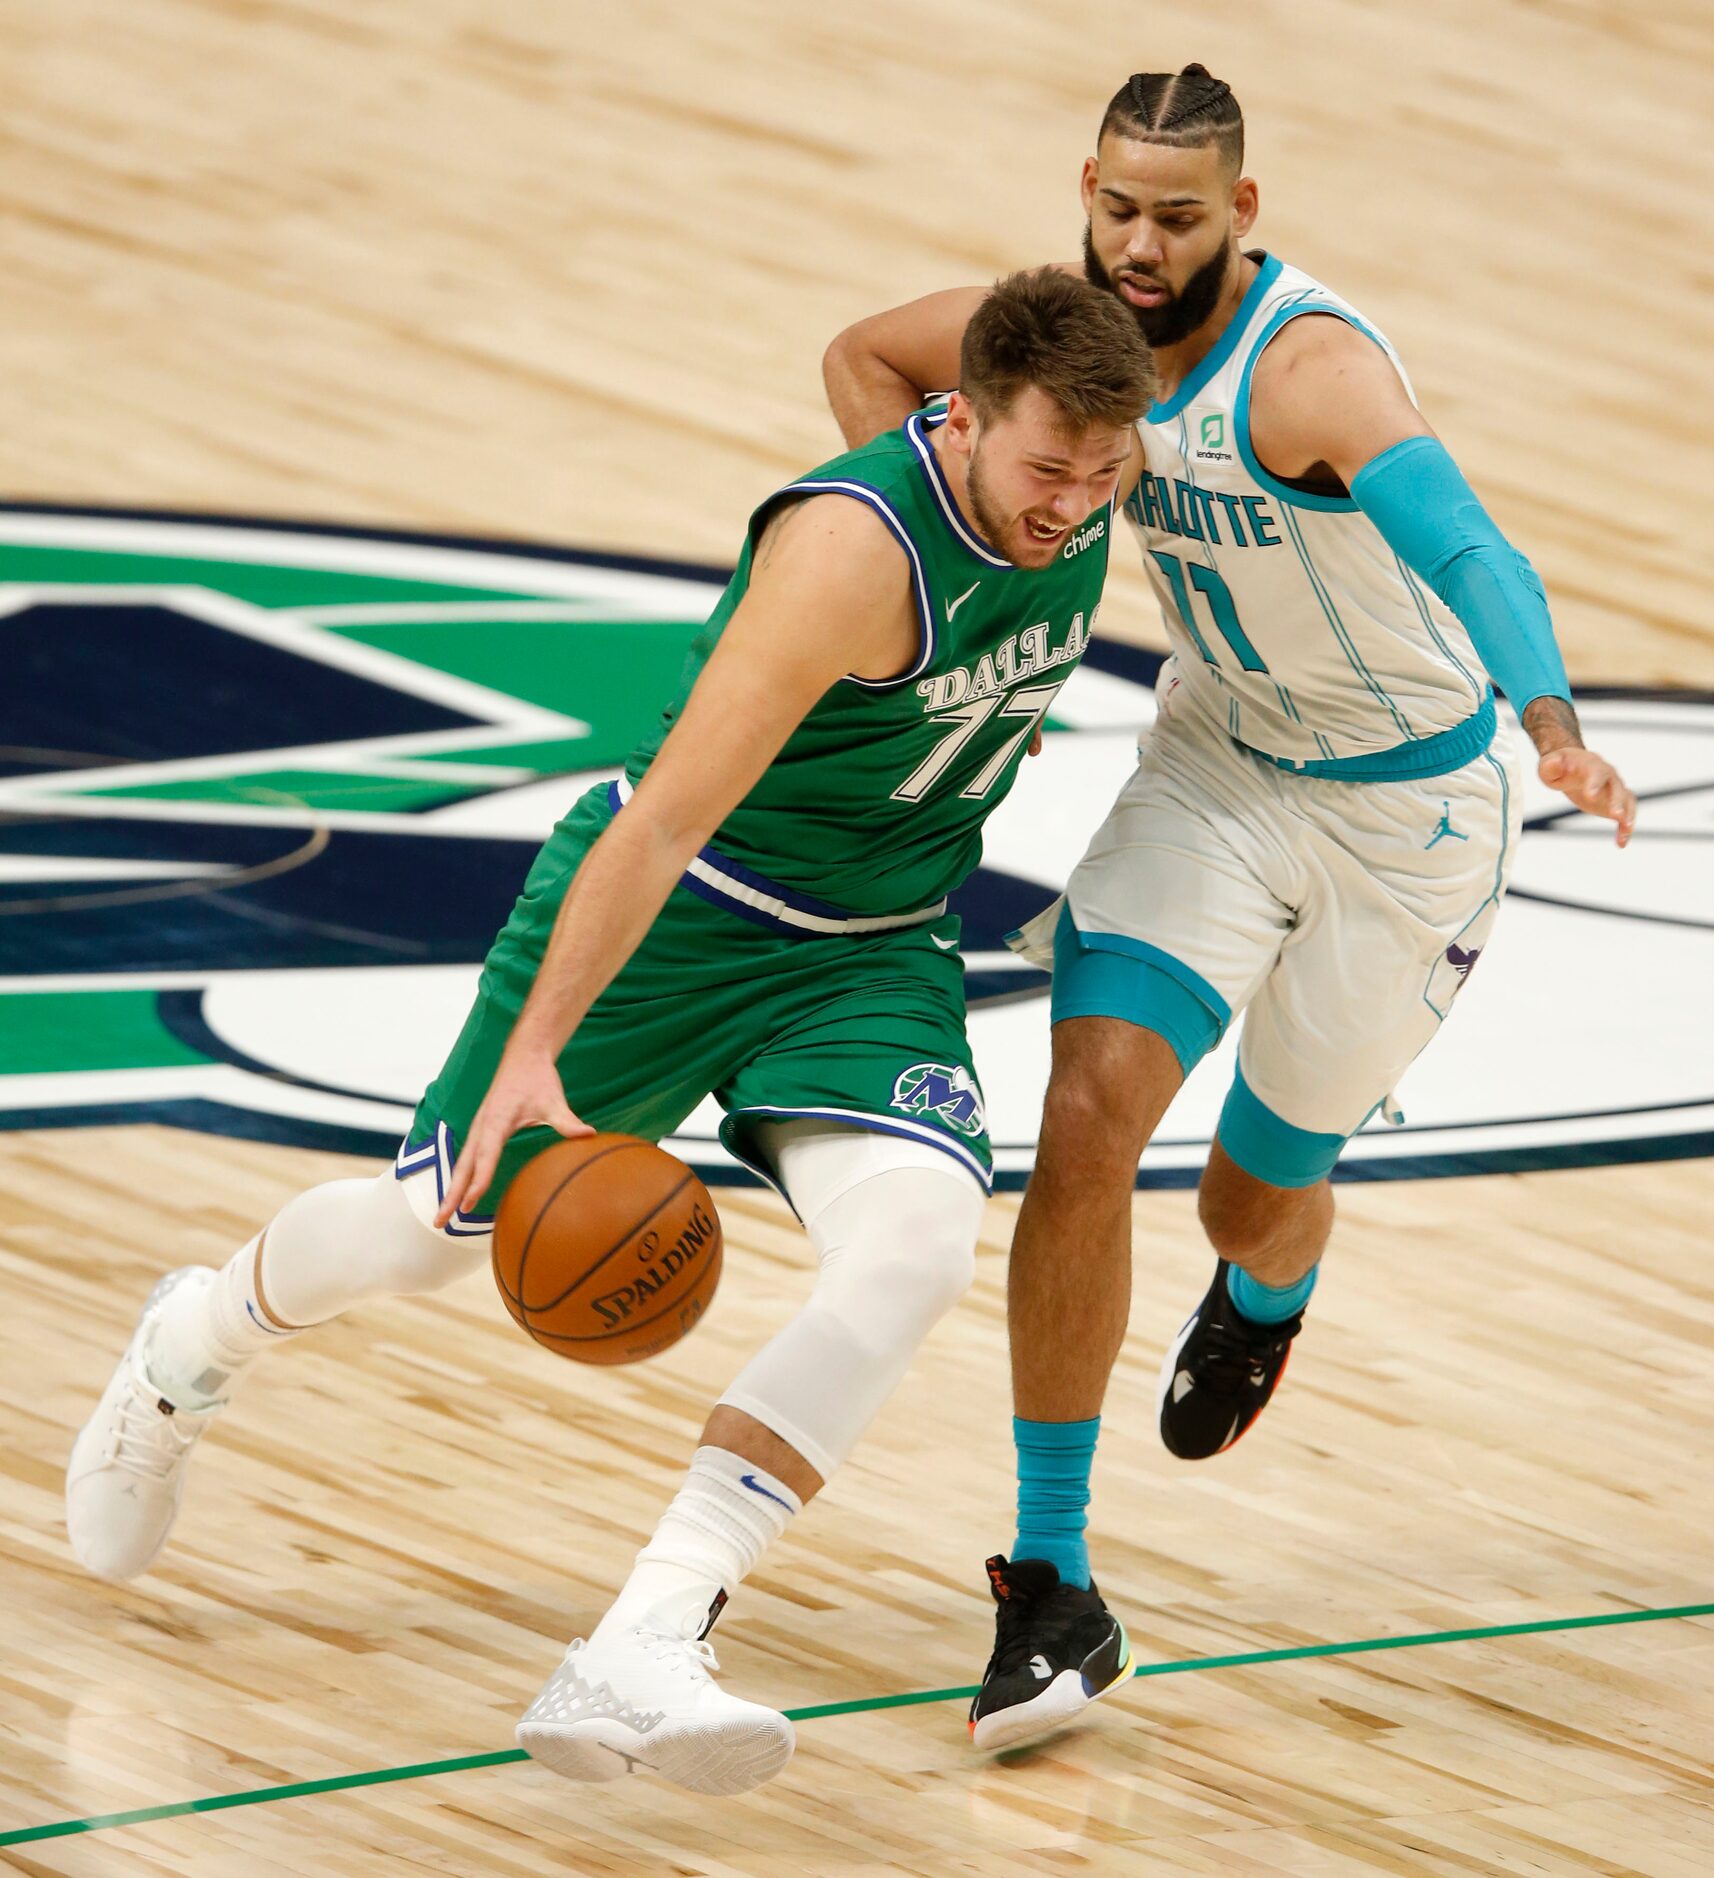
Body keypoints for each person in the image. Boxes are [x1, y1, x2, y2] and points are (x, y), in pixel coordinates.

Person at [65, 269, 1156, 1796]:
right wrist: (534, 1060)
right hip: (682, 908)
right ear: (957, 419)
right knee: (422, 1238)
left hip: (868, 948)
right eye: (1047, 470)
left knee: (912, 1246)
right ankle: (191, 1341)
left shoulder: (1080, 451)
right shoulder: (845, 553)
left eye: (1105, 475)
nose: (1072, 508)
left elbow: (878, 349)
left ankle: (643, 1642)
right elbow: (657, 827)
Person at [824, 66, 1638, 1752]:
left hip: (1404, 814)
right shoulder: (1056, 335)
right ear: (1087, 188)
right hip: (1212, 769)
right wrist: (961, 555)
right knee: (1087, 1117)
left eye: (1175, 215)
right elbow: (870, 359)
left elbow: (1476, 550)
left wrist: (1551, 718)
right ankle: (1050, 1581)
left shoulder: (1309, 372)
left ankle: (1269, 1289)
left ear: (1239, 217)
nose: (1135, 242)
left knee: (1255, 1196)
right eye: (1114, 204)